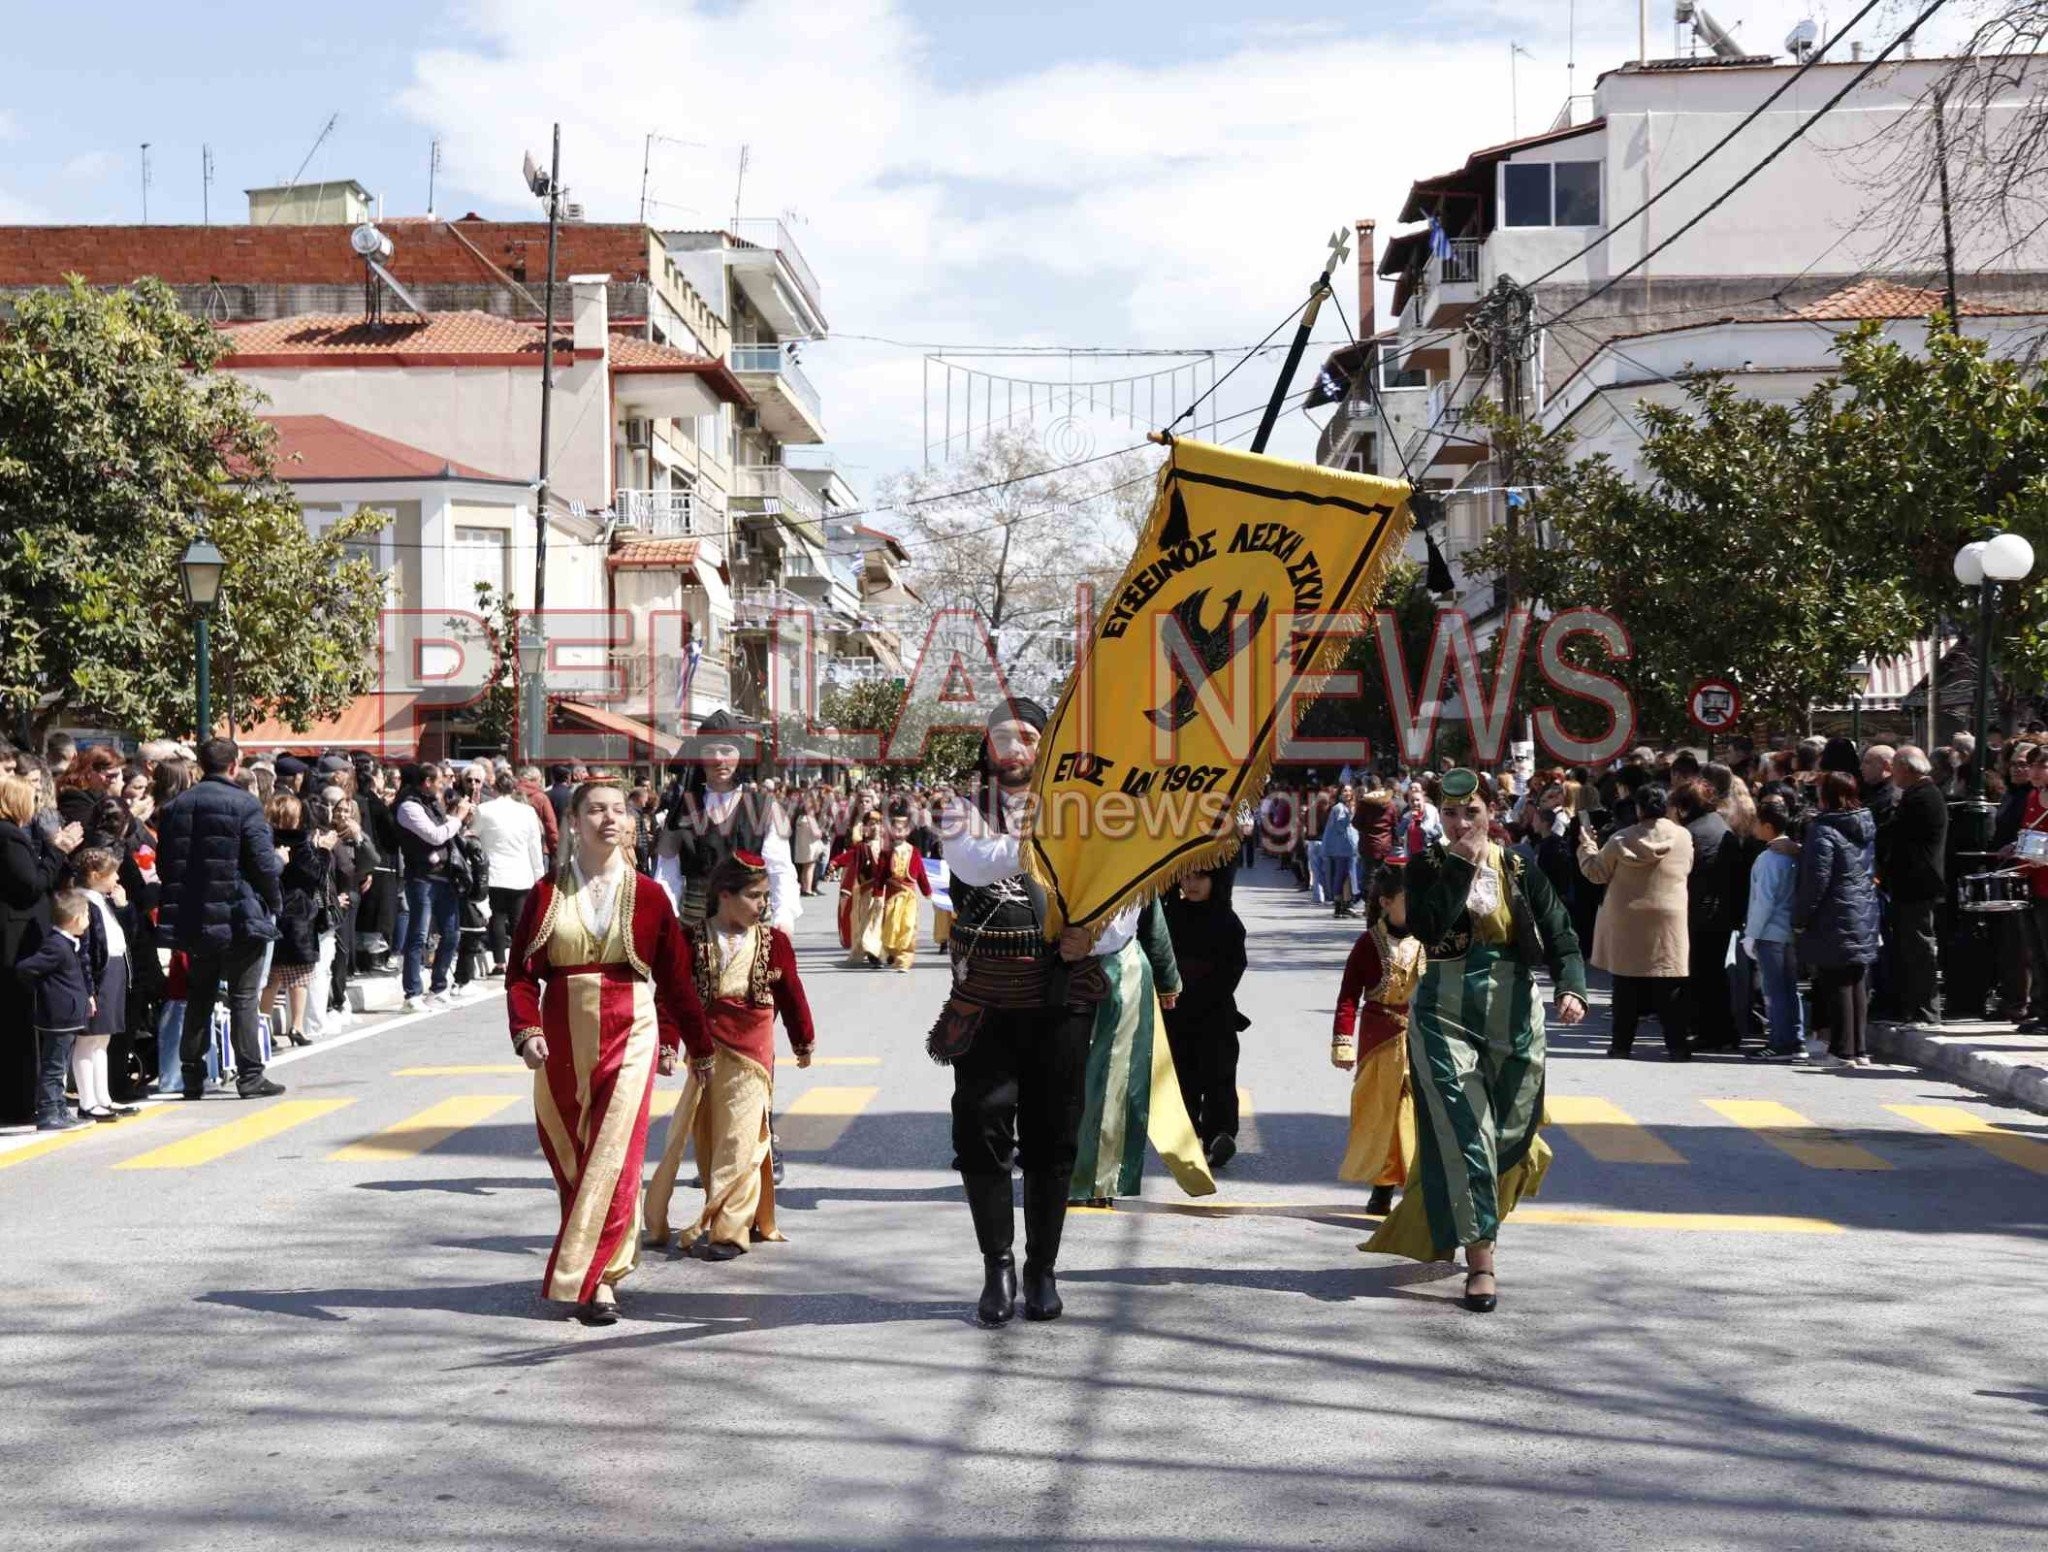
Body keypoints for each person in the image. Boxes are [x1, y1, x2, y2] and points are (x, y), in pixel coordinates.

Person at [1364, 769, 1587, 1312]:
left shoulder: (1518, 865)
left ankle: (1471, 1222)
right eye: (1450, 814)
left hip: (1513, 1014)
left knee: (1509, 1132)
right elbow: (1429, 926)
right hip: (1444, 1013)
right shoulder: (1426, 866)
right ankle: (1481, 1259)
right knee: (1467, 1131)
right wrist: (1461, 863)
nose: (1461, 823)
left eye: (1472, 813)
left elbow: (1559, 928)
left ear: (1493, 811)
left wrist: (1572, 985)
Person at [936, 699, 1109, 1327]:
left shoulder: (1091, 808)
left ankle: (1042, 1268)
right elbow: (973, 864)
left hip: (1062, 990)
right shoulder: (961, 808)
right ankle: (998, 1265)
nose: (1014, 747)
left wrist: (1094, 935)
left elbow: (1121, 890)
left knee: (1054, 1133)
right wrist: (1055, 838)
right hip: (986, 995)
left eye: (1028, 736)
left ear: (1047, 746)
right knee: (981, 1126)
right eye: (1002, 736)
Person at [504, 781, 703, 1325]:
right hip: (561, 1038)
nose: (608, 819)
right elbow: (521, 976)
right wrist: (526, 1029)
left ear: (630, 823)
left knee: (615, 1157)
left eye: (618, 810)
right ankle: (587, 1261)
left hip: (631, 1029)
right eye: (595, 810)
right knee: (576, 1158)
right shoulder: (546, 894)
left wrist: (684, 1042)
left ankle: (600, 1282)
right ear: (573, 821)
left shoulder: (650, 896)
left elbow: (676, 980)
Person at [644, 852, 815, 1261]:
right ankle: (735, 1209)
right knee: (709, 1140)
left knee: (740, 1139)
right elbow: (671, 995)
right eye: (755, 896)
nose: (763, 905)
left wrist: (802, 1039)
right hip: (704, 1052)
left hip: (753, 1054)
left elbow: (792, 995)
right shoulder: (689, 939)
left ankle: (729, 1230)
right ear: (725, 894)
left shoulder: (775, 942)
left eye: (766, 896)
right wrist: (667, 1044)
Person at [156, 739, 286, 1101]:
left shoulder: (176, 806)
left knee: (200, 994)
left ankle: (192, 1075)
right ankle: (250, 1075)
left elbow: (168, 864)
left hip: (195, 914)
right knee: (244, 996)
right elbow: (262, 864)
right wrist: (274, 901)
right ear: (235, 765)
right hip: (238, 912)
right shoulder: (245, 804)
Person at [1577, 784, 1694, 1061]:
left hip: (1627, 917)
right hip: (1670, 917)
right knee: (1670, 983)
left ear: (1639, 809)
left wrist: (1586, 847)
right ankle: (1677, 1047)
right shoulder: (1682, 836)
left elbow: (1596, 872)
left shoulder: (1620, 840)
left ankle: (1621, 1046)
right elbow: (1688, 866)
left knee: (1626, 986)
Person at [1332, 864, 1424, 1216]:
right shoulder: (1368, 944)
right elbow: (1348, 995)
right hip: (1380, 1043)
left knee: (1415, 1117)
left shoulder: (1430, 939)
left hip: (1420, 1041)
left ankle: (1415, 1187)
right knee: (1385, 1117)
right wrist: (1343, 1040)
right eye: (1408, 899)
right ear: (1386, 902)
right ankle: (1383, 1187)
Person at [1, 774, 79, 1124]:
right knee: (18, 1024)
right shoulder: (11, 837)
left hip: (17, 937)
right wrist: (57, 851)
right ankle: (20, 1103)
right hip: (16, 940)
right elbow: (32, 885)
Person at [1161, 865, 1250, 1169]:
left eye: (1200, 877)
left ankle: (1220, 1135)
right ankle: (1189, 1135)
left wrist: (1209, 991)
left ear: (1215, 880)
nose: (1192, 883)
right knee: (1182, 1077)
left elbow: (1235, 965)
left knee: (1220, 1076)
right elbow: (1159, 957)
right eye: (1186, 876)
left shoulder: (1228, 921)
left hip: (1215, 1012)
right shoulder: (1170, 916)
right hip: (1176, 1011)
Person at [1796, 771, 1881, 1066]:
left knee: (1836, 982)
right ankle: (1859, 1049)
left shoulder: (1823, 830)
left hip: (1834, 913)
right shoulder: (1865, 824)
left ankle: (1841, 1051)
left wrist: (1800, 915)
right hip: (1862, 909)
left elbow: (1816, 879)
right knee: (1856, 980)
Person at [394, 762, 471, 1011]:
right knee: (418, 935)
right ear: (427, 782)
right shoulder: (408, 807)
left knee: (451, 933)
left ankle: (438, 987)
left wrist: (458, 817)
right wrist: (457, 819)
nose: (443, 786)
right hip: (421, 878)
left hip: (444, 877)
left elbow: (445, 831)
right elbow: (436, 836)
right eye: (440, 781)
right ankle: (412, 993)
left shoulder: (433, 804)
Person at [18, 889, 97, 1131]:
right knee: (53, 1067)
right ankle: (48, 1113)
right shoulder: (56, 945)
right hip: (59, 1016)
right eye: (86, 915)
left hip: (69, 1015)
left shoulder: (69, 943)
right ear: (74, 919)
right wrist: (46, 991)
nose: (88, 920)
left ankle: (59, 1109)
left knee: (59, 1065)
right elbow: (25, 968)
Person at [1671, 779, 1742, 1052]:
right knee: (1713, 975)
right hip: (1719, 913)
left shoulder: (1692, 833)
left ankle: (1713, 1031)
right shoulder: (1718, 827)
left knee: (1703, 976)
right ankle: (1720, 1030)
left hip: (1701, 914)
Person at [70, 848, 137, 1121]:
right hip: (100, 974)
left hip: (115, 969)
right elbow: (85, 951)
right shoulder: (84, 903)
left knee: (103, 1039)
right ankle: (88, 1102)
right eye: (112, 874)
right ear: (96, 875)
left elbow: (122, 934)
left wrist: (122, 906)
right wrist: (89, 989)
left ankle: (103, 1097)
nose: (118, 878)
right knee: (88, 1039)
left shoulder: (101, 901)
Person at [260, 793, 330, 1048]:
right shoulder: (301, 843)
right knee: (298, 977)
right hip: (298, 913)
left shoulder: (264, 839)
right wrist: (324, 851)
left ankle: (263, 1026)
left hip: (270, 910)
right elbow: (316, 875)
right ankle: (296, 1026)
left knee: (271, 977)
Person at [1885, 747, 1948, 1027]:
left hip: (1918, 884)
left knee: (1920, 949)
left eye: (1895, 768)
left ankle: (1925, 1011)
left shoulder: (1923, 797)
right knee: (1909, 949)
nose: (1892, 774)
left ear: (1907, 769)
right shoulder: (1916, 795)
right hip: (1908, 884)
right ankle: (1913, 1009)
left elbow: (1895, 833)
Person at [1742, 797, 1805, 1062]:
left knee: (1775, 989)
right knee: (1790, 988)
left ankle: (1779, 1041)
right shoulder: (1794, 854)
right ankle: (1795, 1038)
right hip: (1790, 930)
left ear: (1767, 826)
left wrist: (1751, 934)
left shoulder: (1769, 858)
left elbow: (1763, 901)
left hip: (1770, 932)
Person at [472, 770, 546, 976]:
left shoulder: (484, 810)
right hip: (521, 873)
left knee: (496, 917)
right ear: (514, 789)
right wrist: (539, 876)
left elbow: (472, 832)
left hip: (494, 871)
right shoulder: (527, 812)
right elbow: (535, 847)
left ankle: (500, 962)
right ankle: (522, 960)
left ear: (495, 789)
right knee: (519, 920)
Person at [869, 800, 934, 972]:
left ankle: (904, 960)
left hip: (909, 897)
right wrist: (877, 895)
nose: (899, 831)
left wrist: (928, 892)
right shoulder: (886, 852)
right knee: (890, 928)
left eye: (902, 828)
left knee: (908, 926)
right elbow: (880, 876)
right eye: (895, 828)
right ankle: (892, 951)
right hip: (891, 896)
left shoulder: (915, 852)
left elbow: (921, 875)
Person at [1321, 783, 1359, 918]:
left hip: (1350, 848)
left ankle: (1345, 904)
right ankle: (1339, 904)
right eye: (1344, 791)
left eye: (1349, 790)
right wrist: (1350, 814)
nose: (1347, 793)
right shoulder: (1339, 808)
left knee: (1347, 876)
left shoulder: (1350, 807)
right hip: (1342, 848)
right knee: (1342, 875)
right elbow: (1341, 827)